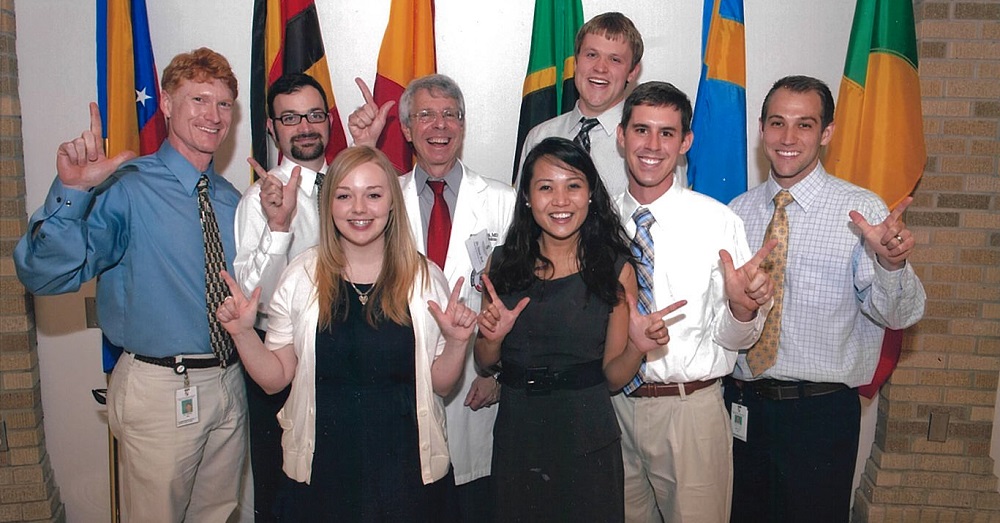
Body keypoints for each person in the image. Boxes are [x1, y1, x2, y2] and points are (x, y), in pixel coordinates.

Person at [14, 48, 246, 522]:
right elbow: (44, 274)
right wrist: (74, 192)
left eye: (224, 104)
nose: (213, 115)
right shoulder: (126, 187)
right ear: (165, 102)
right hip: (160, 388)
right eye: (199, 99)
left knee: (220, 515)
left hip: (229, 382)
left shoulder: (230, 198)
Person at [218, 145, 477, 521]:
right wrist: (243, 334)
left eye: (373, 195)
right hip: (321, 477)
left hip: (409, 476)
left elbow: (441, 383)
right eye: (344, 196)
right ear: (329, 206)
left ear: (392, 204)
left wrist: (456, 342)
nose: (359, 208)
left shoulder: (424, 279)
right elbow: (275, 380)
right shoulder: (301, 277)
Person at [726, 75, 926, 522]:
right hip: (742, 408)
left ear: (827, 133)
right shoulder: (736, 213)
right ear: (761, 129)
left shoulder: (862, 212)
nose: (788, 138)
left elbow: (897, 316)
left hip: (819, 414)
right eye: (777, 123)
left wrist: (891, 265)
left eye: (805, 125)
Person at [348, 73, 516, 520]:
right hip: (399, 389)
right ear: (405, 129)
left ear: (463, 125)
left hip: (477, 391)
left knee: (473, 503)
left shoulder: (504, 201)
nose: (439, 126)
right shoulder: (382, 201)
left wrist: (497, 374)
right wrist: (360, 146)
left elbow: (524, 300)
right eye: (425, 115)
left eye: (450, 115)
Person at [612, 81, 775, 523]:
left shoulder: (717, 221)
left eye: (667, 133)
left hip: (689, 412)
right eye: (641, 130)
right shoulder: (597, 221)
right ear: (620, 135)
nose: (652, 145)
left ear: (685, 142)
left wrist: (743, 309)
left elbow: (736, 334)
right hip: (611, 411)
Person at [476, 137, 638, 522]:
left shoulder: (615, 269)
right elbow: (485, 362)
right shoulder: (502, 265)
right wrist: (493, 338)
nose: (561, 200)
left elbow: (614, 377)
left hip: (587, 435)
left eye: (573, 186)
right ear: (528, 198)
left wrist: (638, 346)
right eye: (546, 187)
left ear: (591, 195)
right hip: (519, 434)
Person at [233, 72, 331, 522]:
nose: (305, 126)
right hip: (282, 367)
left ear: (328, 120)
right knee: (285, 498)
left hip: (343, 361)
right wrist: (279, 226)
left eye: (314, 114)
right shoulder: (260, 200)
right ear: (272, 127)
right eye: (290, 118)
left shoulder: (349, 185)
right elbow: (258, 300)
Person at [516, 12, 685, 196]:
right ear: (576, 62)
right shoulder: (539, 137)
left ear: (632, 72)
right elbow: (521, 218)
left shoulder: (653, 148)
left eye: (615, 60)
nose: (600, 68)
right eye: (591, 55)